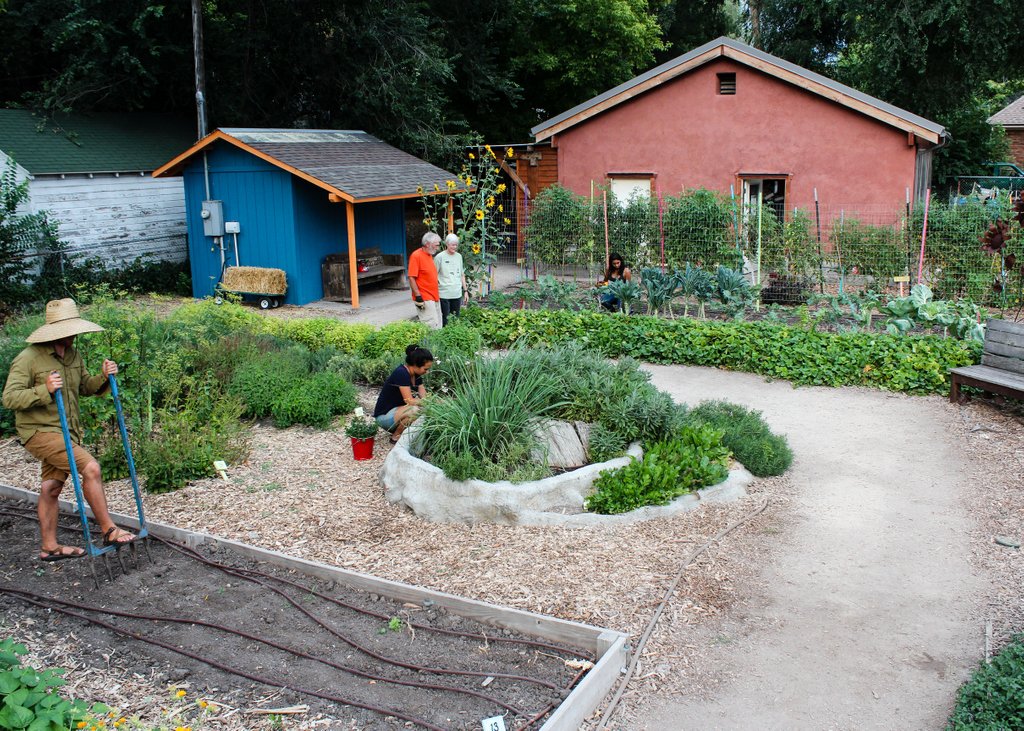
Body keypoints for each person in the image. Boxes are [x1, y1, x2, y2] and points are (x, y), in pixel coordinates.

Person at [2, 298, 136, 562]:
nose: (74, 334)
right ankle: (108, 529)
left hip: (67, 431)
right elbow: (9, 398)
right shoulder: (28, 359)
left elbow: (85, 386)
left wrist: (105, 377)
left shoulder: (73, 354)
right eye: (70, 329)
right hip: (39, 432)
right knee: (91, 468)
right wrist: (45, 390)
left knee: (51, 488)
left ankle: (49, 547)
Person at [373, 345, 434, 443]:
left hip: (398, 412)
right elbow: (409, 401)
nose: (427, 372)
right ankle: (395, 436)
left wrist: (434, 402)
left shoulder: (417, 375)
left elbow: (425, 397)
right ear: (415, 364)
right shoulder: (401, 373)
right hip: (384, 417)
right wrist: (427, 403)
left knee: (423, 407)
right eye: (425, 369)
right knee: (415, 410)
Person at [434, 233, 469, 326]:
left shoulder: (459, 256)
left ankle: (454, 336)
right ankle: (445, 337)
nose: (455, 247)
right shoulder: (439, 257)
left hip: (456, 292)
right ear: (447, 244)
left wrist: (465, 291)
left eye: (456, 245)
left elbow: (462, 274)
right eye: (452, 245)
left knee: (455, 317)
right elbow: (433, 275)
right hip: (443, 293)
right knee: (445, 318)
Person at [409, 232, 442, 329]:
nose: (437, 248)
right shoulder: (416, 256)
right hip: (425, 297)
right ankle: (428, 345)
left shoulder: (429, 254)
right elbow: (411, 277)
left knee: (438, 325)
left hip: (434, 296)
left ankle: (436, 344)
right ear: (428, 244)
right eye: (436, 245)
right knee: (430, 327)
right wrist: (418, 296)